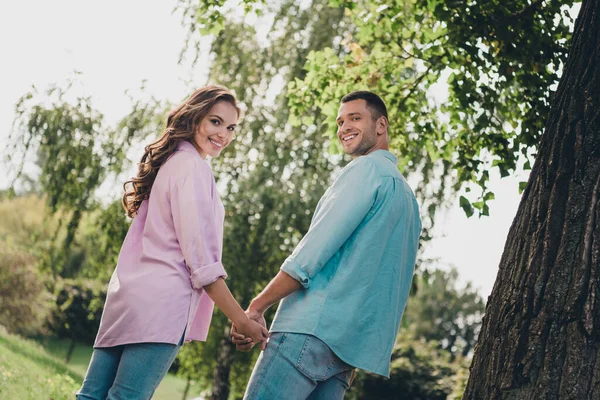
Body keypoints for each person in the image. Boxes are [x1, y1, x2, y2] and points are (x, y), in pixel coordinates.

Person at [77, 85, 269, 400]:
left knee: (91, 395)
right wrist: (239, 318)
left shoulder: (172, 162)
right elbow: (202, 263)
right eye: (216, 121)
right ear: (195, 119)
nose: (224, 133)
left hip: (127, 298)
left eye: (232, 127)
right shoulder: (193, 168)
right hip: (162, 306)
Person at [231, 91, 422, 400]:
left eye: (355, 118)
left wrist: (256, 306)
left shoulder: (365, 171)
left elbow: (311, 254)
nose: (344, 127)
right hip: (347, 354)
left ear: (381, 125)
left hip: (307, 332)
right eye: (340, 121)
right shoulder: (408, 200)